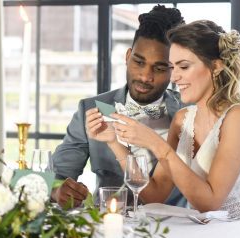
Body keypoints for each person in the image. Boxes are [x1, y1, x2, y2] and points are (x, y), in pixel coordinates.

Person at [90, 20, 240, 219]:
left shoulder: (238, 116)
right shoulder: (182, 119)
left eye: (184, 67)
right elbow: (155, 195)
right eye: (172, 67)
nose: (174, 77)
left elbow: (211, 203)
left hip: (234, 236)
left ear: (216, 67)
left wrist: (154, 142)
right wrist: (114, 142)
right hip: (199, 232)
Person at [50, 5, 187, 209]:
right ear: (127, 56)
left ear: (173, 69)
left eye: (159, 68)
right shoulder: (91, 108)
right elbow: (56, 174)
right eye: (139, 62)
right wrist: (57, 190)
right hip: (108, 224)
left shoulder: (190, 113)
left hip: (175, 230)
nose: (145, 76)